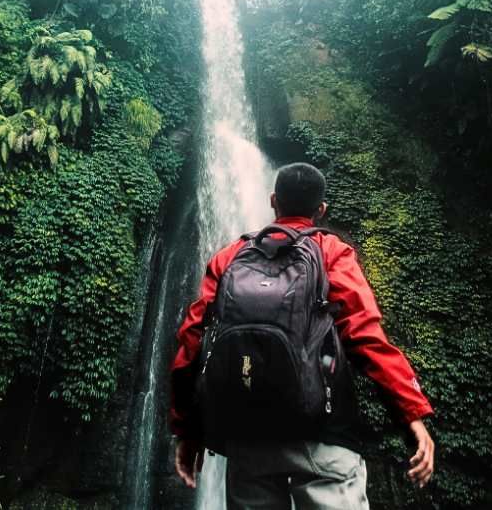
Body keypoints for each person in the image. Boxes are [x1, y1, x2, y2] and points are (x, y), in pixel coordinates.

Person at [168, 162, 435, 508]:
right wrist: (410, 412)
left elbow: (191, 339)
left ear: (273, 201)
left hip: (248, 440)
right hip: (321, 435)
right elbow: (365, 336)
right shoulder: (331, 252)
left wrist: (189, 430)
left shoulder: (230, 256)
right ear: (321, 209)